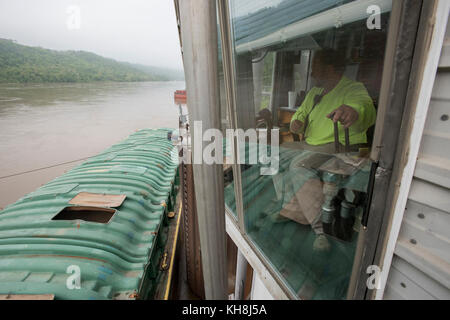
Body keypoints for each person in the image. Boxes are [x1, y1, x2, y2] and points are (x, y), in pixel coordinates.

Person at [289, 48, 376, 153]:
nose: (312, 74)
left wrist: (353, 112)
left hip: (337, 145)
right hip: (310, 143)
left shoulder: (353, 88)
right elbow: (301, 112)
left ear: (329, 69)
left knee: (297, 166)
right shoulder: (314, 91)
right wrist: (296, 122)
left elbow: (364, 107)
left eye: (315, 69)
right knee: (281, 153)